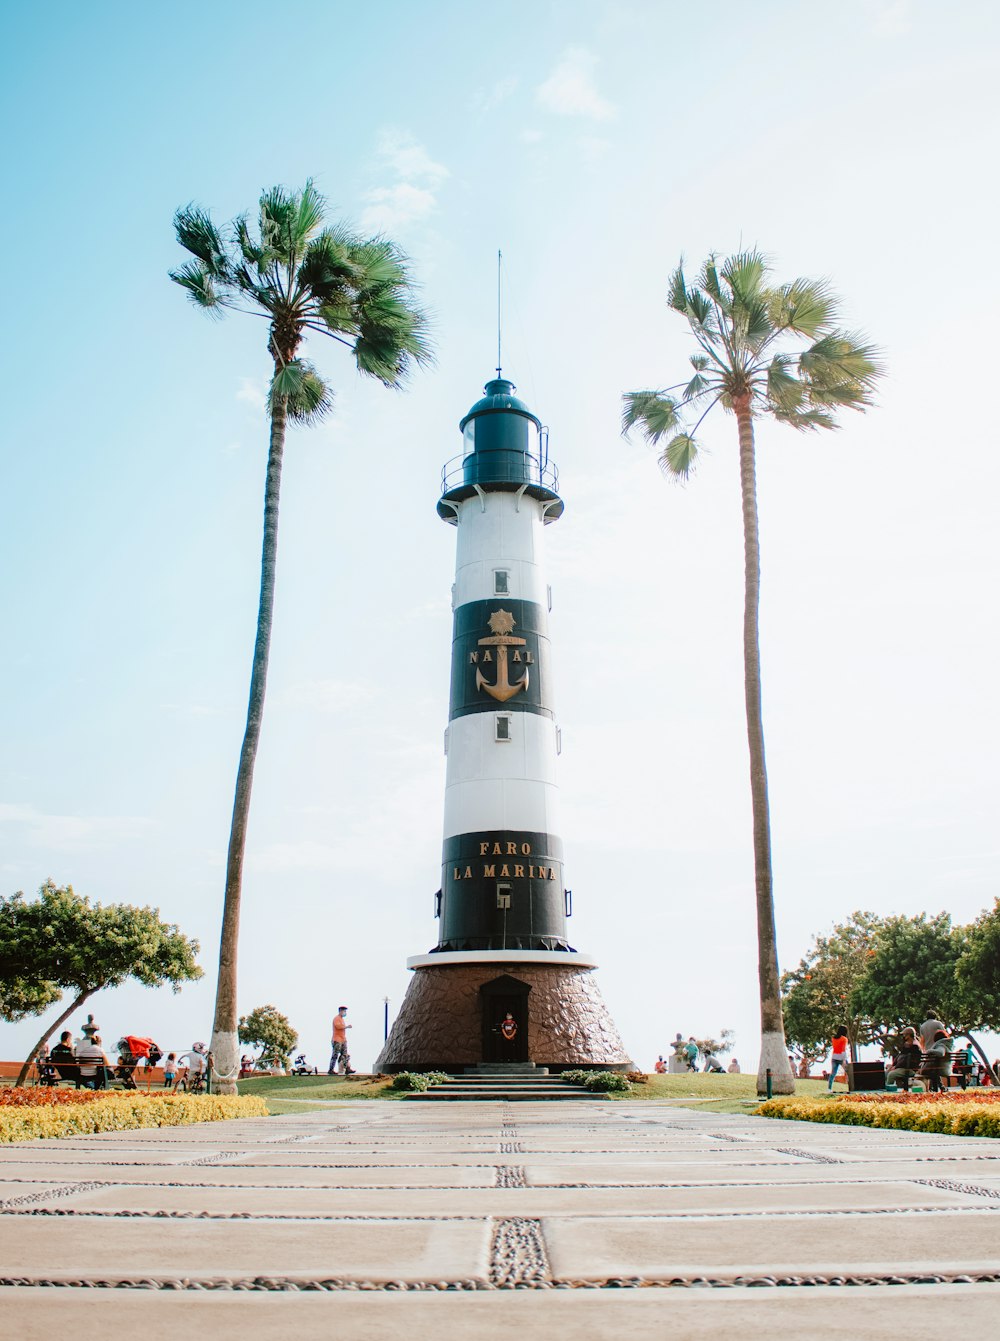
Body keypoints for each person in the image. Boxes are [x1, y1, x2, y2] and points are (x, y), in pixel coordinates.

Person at [329, 1006, 355, 1076]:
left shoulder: (342, 1019)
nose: (345, 1013)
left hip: (343, 1039)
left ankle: (347, 1068)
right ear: (340, 1011)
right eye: (344, 1011)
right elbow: (338, 1027)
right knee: (335, 1055)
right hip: (337, 1040)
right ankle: (331, 1069)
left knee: (345, 1055)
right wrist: (347, 1027)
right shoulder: (336, 1018)